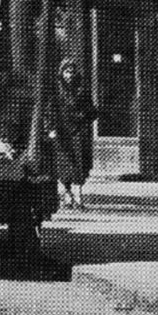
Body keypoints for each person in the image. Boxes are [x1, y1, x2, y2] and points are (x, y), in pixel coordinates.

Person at [48, 57, 98, 209]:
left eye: (71, 72)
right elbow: (49, 111)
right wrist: (51, 128)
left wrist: (84, 116)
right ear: (61, 73)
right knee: (63, 164)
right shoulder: (56, 91)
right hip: (61, 132)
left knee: (79, 164)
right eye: (66, 72)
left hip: (78, 132)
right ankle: (67, 197)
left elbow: (92, 111)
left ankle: (78, 197)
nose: (69, 75)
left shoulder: (82, 91)